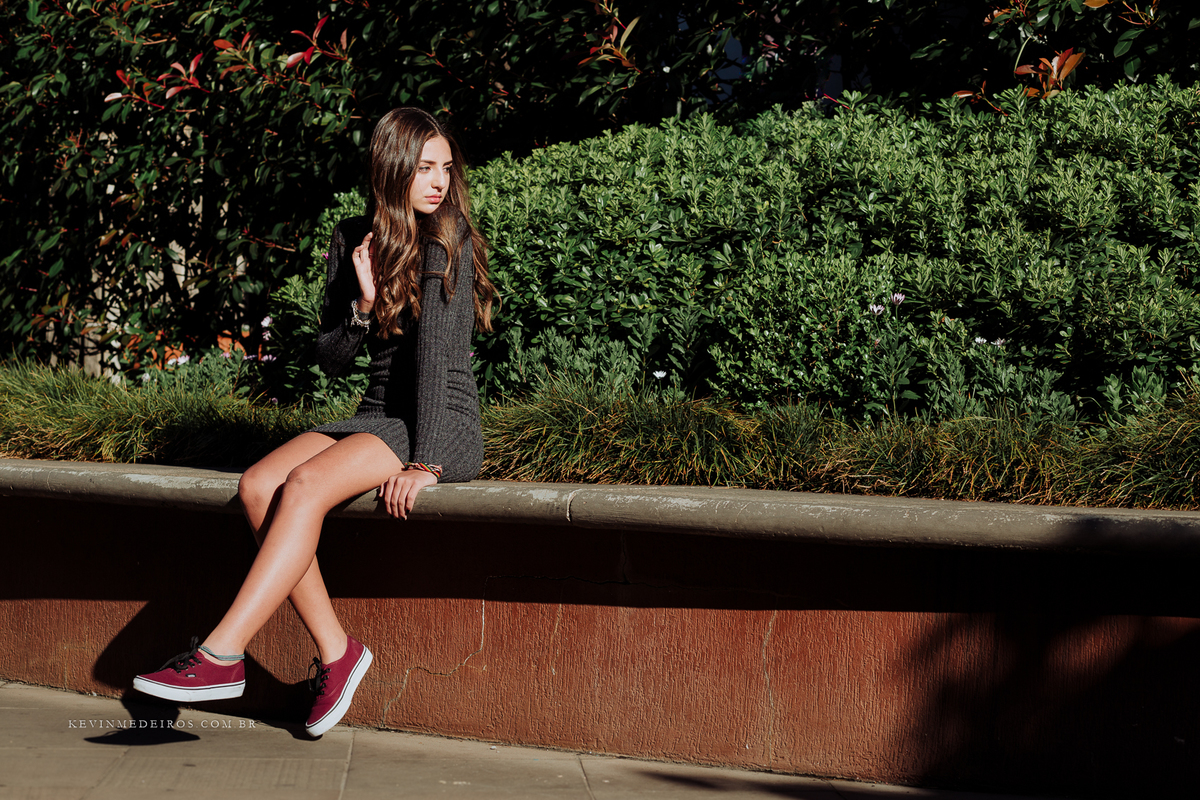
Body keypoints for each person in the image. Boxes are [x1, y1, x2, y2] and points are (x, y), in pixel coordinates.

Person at [132, 107, 496, 737]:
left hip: (439, 421)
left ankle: (220, 654)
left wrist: (427, 463)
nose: (438, 181)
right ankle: (338, 652)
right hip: (381, 415)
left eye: (445, 167)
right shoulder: (354, 237)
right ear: (393, 167)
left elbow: (438, 360)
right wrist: (362, 303)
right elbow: (331, 358)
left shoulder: (447, 237)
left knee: (301, 488)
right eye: (424, 167)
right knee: (258, 485)